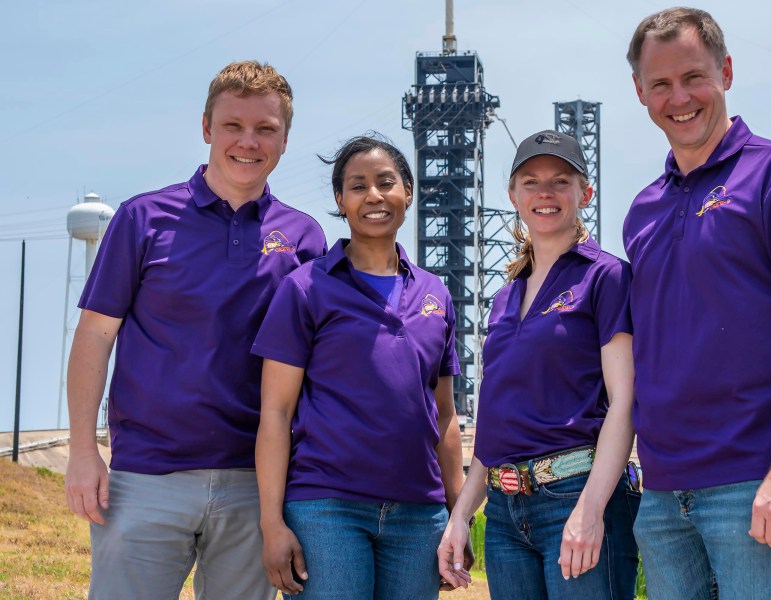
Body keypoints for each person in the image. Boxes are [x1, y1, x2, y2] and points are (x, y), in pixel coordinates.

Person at [64, 60, 327, 600]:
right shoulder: (142, 219)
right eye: (233, 126)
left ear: (284, 138)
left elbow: (317, 365)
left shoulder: (305, 238)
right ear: (207, 128)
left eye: (266, 129)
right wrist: (83, 450)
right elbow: (94, 336)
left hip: (257, 487)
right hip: (144, 479)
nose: (248, 142)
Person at [623, 8, 771, 599]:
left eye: (694, 76)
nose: (680, 97)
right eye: (661, 84)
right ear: (640, 92)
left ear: (725, 71)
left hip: (756, 481)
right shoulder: (643, 211)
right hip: (664, 493)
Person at [253, 134, 468, 599]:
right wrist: (272, 523)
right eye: (358, 186)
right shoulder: (306, 288)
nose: (374, 195)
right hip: (327, 508)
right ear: (340, 200)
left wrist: (458, 514)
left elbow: (445, 416)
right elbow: (275, 412)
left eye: (386, 182)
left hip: (419, 513)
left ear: (407, 192)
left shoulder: (436, 294)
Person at [438, 130, 640, 599]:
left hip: (575, 493)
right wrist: (462, 515)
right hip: (506, 512)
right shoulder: (505, 296)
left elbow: (625, 402)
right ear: (513, 195)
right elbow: (497, 423)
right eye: (530, 182)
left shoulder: (606, 277)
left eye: (560, 181)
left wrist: (590, 509)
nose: (544, 193)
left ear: (584, 193)